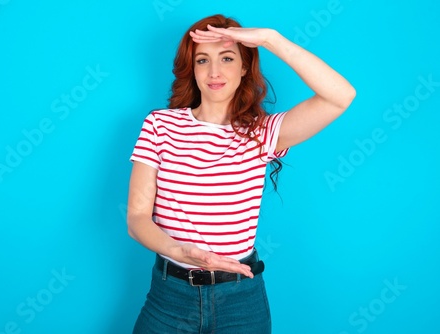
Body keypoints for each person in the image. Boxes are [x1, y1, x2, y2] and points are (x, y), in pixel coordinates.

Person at [127, 14, 355, 333]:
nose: (215, 71)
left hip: (240, 302)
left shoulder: (263, 132)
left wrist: (271, 39)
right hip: (170, 296)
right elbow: (137, 218)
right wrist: (180, 251)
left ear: (245, 66)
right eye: (202, 60)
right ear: (191, 68)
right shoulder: (160, 125)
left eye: (227, 57)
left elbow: (340, 96)